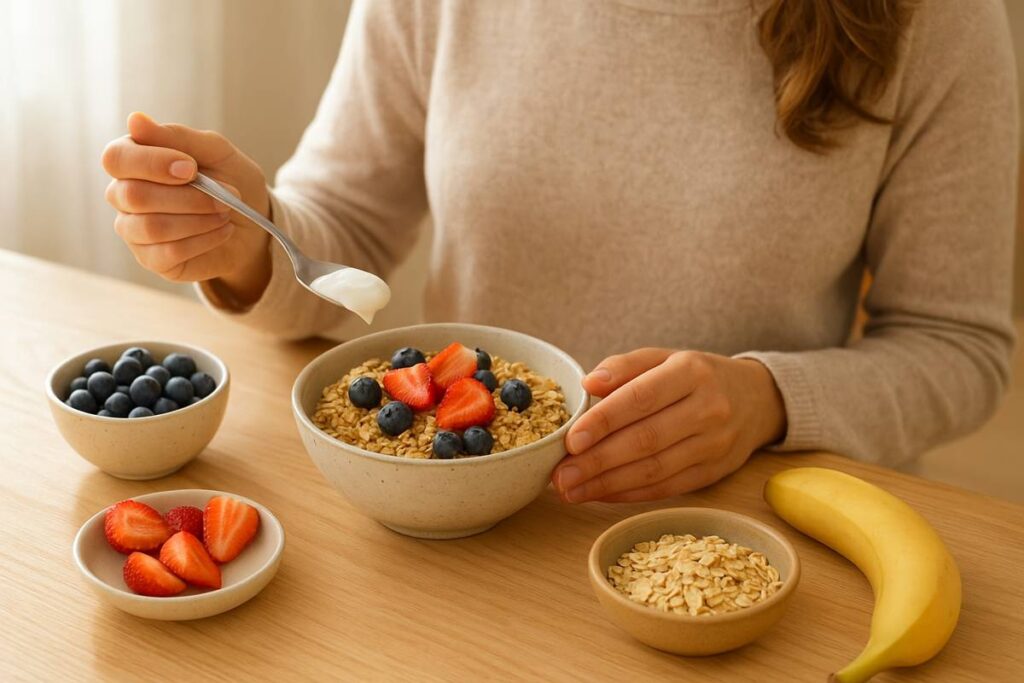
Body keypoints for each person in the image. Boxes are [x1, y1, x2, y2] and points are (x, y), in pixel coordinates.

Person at [101, 0, 1018, 504]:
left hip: (749, 531)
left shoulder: (936, 18)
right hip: (466, 519)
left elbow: (958, 343)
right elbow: (342, 225)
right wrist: (246, 237)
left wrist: (766, 399)